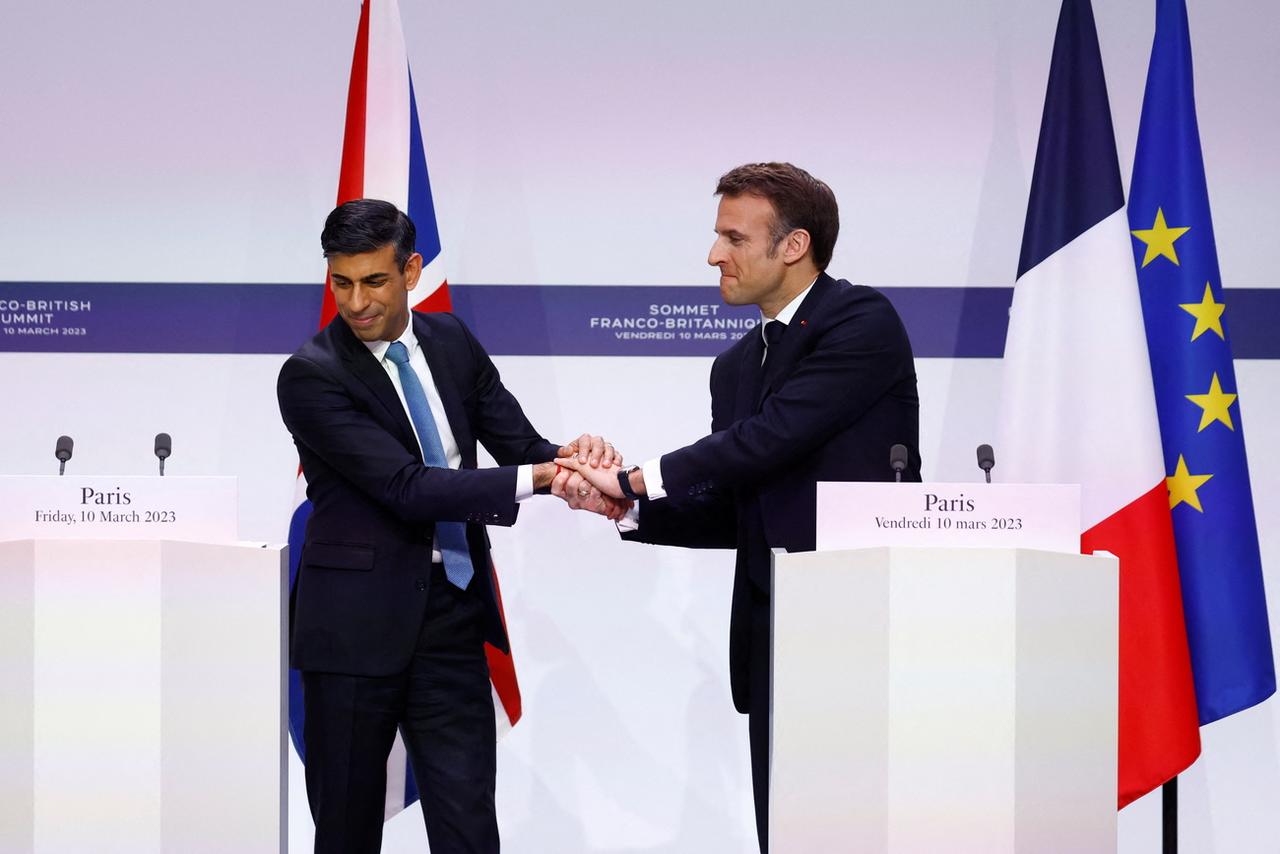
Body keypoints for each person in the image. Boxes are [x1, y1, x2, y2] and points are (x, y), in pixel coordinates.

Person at [558, 162, 921, 852]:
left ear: (794, 246)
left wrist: (635, 479)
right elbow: (737, 505)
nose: (713, 255)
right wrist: (625, 511)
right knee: (784, 833)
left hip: (860, 624)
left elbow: (771, 437)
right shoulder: (733, 366)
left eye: (733, 238)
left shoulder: (859, 321)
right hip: (773, 629)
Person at [278, 198, 623, 854]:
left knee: (468, 831)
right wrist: (549, 477)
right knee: (346, 833)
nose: (355, 301)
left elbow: (522, 445)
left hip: (452, 619)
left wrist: (582, 466)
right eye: (340, 281)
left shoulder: (452, 342)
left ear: (410, 270)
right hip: (353, 631)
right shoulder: (309, 376)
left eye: (373, 280)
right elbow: (407, 488)